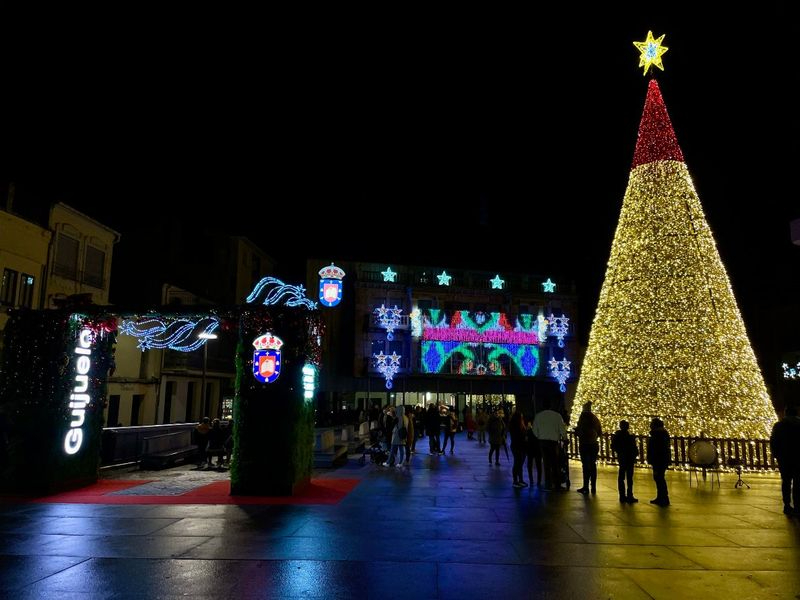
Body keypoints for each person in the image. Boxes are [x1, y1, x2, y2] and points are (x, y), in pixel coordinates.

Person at [770, 405, 800, 516]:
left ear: (785, 413)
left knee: (786, 482)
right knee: (798, 483)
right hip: (798, 459)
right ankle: (797, 506)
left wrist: (776, 455)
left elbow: (773, 442)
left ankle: (787, 505)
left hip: (785, 459)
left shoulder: (779, 426)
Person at [532, 394, 567, 490]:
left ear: (543, 405)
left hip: (543, 442)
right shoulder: (557, 416)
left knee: (546, 464)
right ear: (550, 405)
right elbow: (562, 429)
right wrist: (564, 438)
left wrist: (539, 436)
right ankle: (557, 483)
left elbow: (534, 430)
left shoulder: (538, 416)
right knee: (555, 463)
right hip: (553, 442)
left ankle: (548, 484)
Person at [575, 401, 602, 495]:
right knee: (592, 465)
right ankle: (593, 486)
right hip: (594, 444)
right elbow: (600, 431)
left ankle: (586, 486)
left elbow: (580, 430)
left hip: (585, 444)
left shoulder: (583, 418)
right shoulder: (595, 418)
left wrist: (578, 432)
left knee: (585, 465)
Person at [611, 420, 639, 503]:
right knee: (629, 478)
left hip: (622, 458)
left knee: (621, 477)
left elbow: (613, 446)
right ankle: (629, 495)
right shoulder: (629, 437)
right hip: (629, 458)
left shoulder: (617, 436)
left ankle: (622, 495)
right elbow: (634, 448)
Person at [647, 417, 671, 506]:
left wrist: (653, 458)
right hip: (661, 459)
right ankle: (661, 497)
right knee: (659, 478)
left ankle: (663, 497)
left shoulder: (658, 435)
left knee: (659, 478)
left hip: (658, 460)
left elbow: (657, 449)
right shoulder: (662, 434)